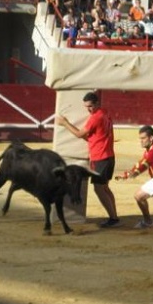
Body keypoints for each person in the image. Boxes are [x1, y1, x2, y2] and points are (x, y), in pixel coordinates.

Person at [55, 92, 120, 228]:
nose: (88, 109)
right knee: (105, 188)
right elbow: (94, 136)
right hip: (108, 156)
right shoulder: (105, 112)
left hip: (100, 158)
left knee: (99, 189)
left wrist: (65, 123)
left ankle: (113, 218)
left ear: (97, 103)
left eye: (90, 106)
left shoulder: (95, 118)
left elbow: (79, 134)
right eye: (86, 107)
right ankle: (114, 216)